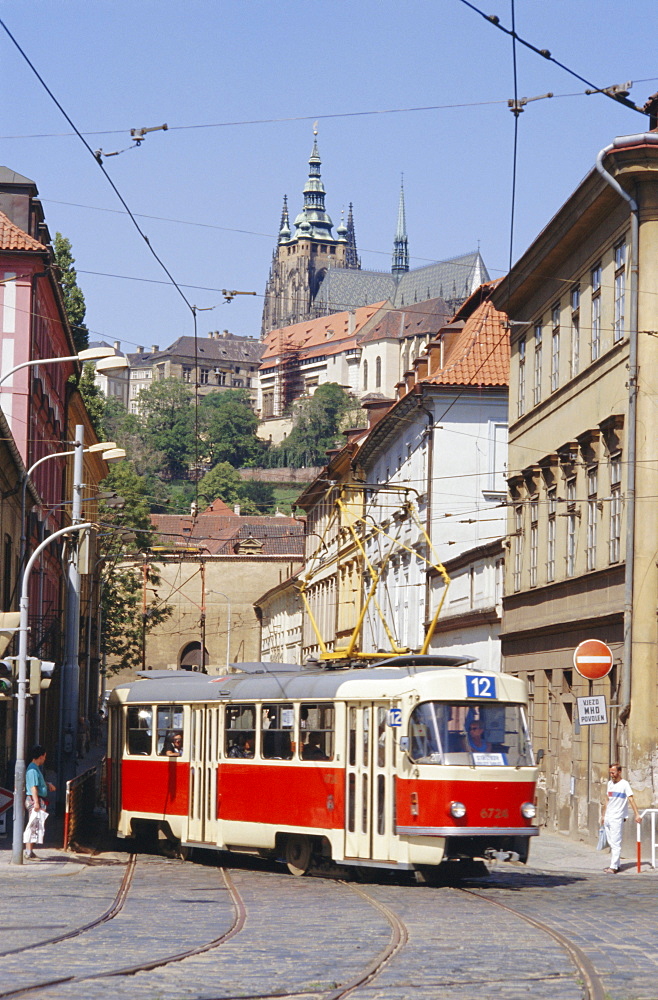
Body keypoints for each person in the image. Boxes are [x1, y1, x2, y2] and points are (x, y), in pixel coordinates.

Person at [601, 762, 641, 873]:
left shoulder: (624, 784)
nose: (612, 775)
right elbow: (607, 800)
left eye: (613, 772)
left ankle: (613, 867)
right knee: (611, 842)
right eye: (610, 773)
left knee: (616, 842)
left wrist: (637, 814)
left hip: (617, 817)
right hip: (608, 816)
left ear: (619, 772)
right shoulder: (609, 784)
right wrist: (603, 816)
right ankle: (617, 864)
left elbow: (631, 799)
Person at [24, 744, 56, 860]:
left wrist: (47, 784)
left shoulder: (35, 768)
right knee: (33, 825)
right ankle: (28, 851)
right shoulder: (32, 769)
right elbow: (33, 787)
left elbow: (37, 783)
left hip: (37, 799)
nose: (45, 758)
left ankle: (30, 851)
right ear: (40, 756)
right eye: (44, 756)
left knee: (35, 825)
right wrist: (36, 802)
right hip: (34, 800)